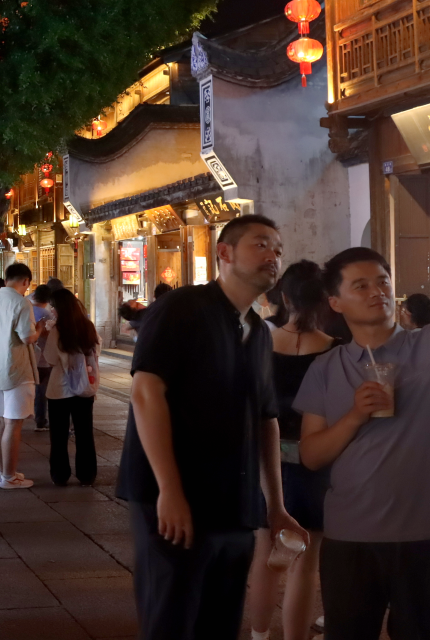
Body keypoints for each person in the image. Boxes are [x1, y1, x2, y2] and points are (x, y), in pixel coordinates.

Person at [296, 248, 430, 640]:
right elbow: (311, 455)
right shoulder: (326, 368)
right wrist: (354, 416)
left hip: (428, 533)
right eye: (360, 285)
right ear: (335, 301)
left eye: (382, 281)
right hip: (351, 535)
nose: (376, 291)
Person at [120, 214, 304, 640]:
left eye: (277, 249)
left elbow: (266, 420)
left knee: (220, 622)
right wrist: (169, 489)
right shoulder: (183, 307)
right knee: (172, 619)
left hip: (235, 505)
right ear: (224, 253)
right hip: (174, 499)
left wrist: (275, 505)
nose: (273, 256)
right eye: (261, 245)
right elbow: (146, 393)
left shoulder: (258, 332)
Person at [246, 261, 335, 640]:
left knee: (265, 555)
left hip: (264, 459)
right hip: (314, 461)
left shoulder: (259, 340)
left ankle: (259, 635)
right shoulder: (336, 350)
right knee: (305, 561)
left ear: (283, 297)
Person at [0, 263, 39, 490]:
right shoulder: (21, 302)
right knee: (13, 423)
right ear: (25, 282)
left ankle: (1, 471)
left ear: (6, 280)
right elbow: (27, 337)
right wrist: (41, 329)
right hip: (15, 369)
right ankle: (9, 476)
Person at [42, 288, 100, 487]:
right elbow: (95, 351)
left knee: (58, 435)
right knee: (85, 432)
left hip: (59, 389)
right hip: (85, 387)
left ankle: (60, 475)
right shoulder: (88, 326)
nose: (52, 310)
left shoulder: (58, 330)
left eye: (53, 306)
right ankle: (87, 474)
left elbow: (50, 358)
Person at [31, 284, 54, 432]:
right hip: (44, 357)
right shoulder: (47, 315)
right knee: (42, 390)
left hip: (28, 355)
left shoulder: (27, 311)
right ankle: (41, 419)